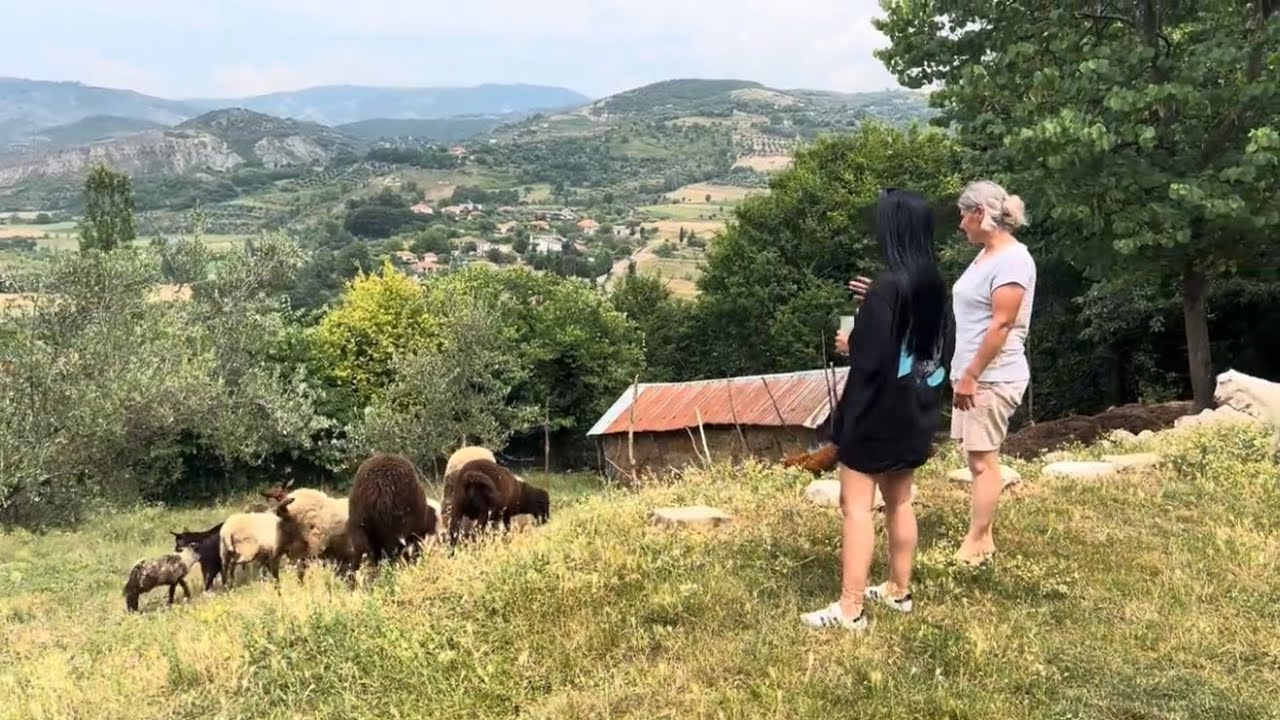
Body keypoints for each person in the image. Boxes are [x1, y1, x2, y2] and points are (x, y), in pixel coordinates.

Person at [846, 179, 1036, 567]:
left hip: (993, 374)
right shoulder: (987, 256)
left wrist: (972, 375)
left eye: (964, 215)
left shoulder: (1012, 260)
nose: (960, 224)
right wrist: (883, 295)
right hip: (974, 373)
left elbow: (1001, 324)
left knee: (982, 460)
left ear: (980, 213)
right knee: (977, 456)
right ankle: (984, 537)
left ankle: (976, 543)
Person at [801, 188, 950, 633]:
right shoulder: (932, 283)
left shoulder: (888, 286)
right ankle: (898, 591)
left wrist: (852, 341)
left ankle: (850, 609)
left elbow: (871, 356)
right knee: (900, 500)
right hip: (917, 407)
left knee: (856, 507)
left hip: (876, 414)